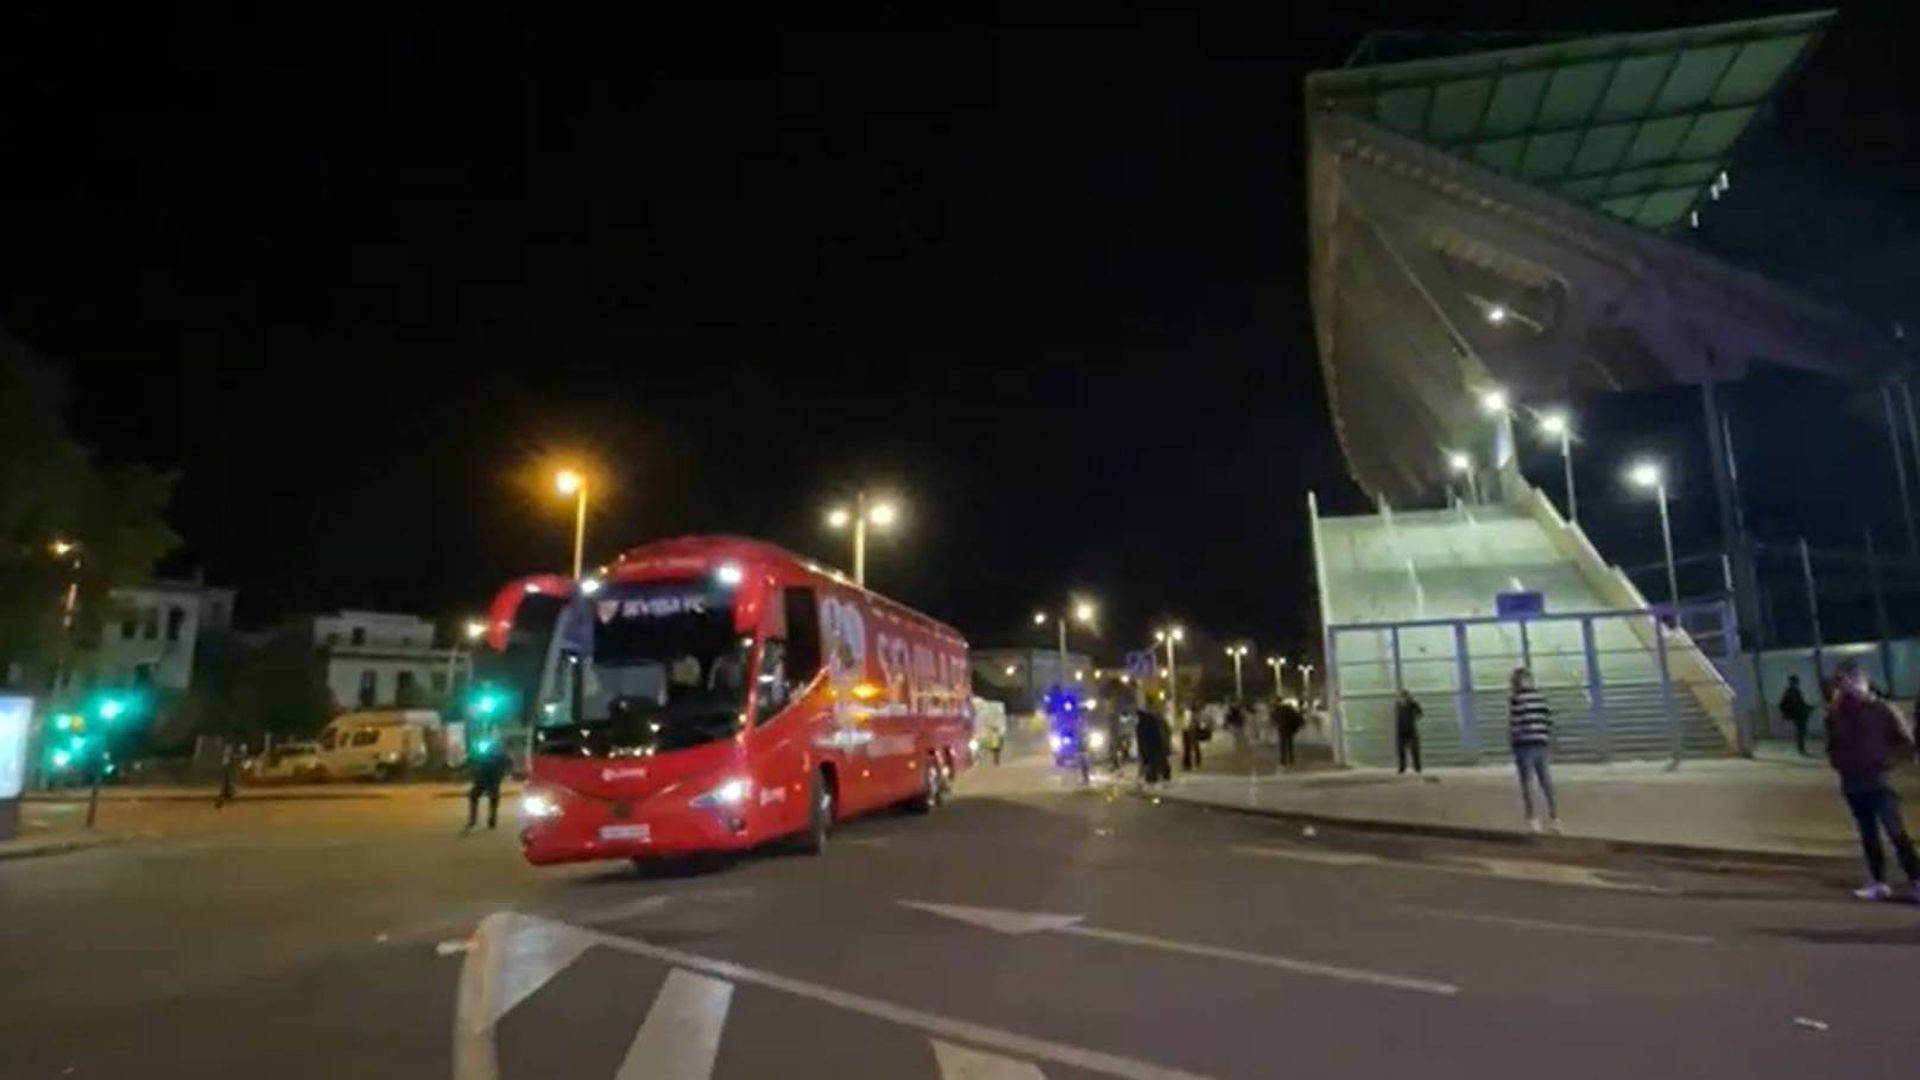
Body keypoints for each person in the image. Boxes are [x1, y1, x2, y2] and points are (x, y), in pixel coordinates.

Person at [1824, 660, 1920, 902]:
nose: (1846, 687)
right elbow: (1833, 746)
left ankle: (1916, 879)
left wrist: (1886, 763)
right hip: (1853, 781)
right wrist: (1841, 764)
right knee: (1868, 833)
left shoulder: (1883, 709)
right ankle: (1879, 881)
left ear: (1863, 681)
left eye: (1850, 681)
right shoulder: (1837, 714)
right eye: (1843, 682)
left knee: (1896, 832)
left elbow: (1905, 743)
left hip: (1880, 780)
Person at [1508, 667, 1559, 833]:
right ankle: (1555, 818)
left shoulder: (1517, 699)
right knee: (1546, 782)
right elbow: (1548, 721)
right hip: (1541, 744)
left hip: (1524, 745)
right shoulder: (1541, 697)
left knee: (1528, 783)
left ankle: (1533, 820)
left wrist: (1513, 743)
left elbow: (1516, 724)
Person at [464, 736, 511, 833]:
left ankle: (474, 819)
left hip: (484, 779)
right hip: (492, 779)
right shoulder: (502, 754)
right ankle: (491, 819)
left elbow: (472, 761)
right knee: (493, 798)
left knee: (475, 796)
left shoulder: (487, 754)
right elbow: (509, 764)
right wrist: (505, 773)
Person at [1778, 675, 1814, 757]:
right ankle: (1801, 748)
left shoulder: (1790, 691)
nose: (1797, 683)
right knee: (1801, 732)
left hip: (1799, 714)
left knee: (1800, 732)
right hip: (1799, 715)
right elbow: (1786, 704)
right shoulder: (1792, 691)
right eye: (1796, 682)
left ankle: (1801, 748)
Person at [1136, 706, 1171, 784]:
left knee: (1154, 761)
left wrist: (1143, 748)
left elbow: (1142, 737)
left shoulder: (1145, 723)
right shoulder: (1151, 721)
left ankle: (1153, 776)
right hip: (1155, 744)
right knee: (1158, 760)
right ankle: (1160, 775)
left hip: (1152, 745)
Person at [1393, 688, 1424, 775]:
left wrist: (1413, 718)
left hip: (1411, 729)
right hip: (1401, 730)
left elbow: (1420, 713)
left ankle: (1417, 767)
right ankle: (1402, 767)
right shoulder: (1398, 705)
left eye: (1404, 696)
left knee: (1414, 750)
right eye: (1401, 696)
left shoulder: (1412, 704)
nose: (1402, 698)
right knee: (1401, 751)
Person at [1275, 698, 1304, 767]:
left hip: (1281, 729)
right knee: (1290, 745)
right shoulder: (1290, 710)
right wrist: (1295, 728)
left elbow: (1275, 718)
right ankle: (1291, 760)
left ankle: (1283, 761)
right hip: (1289, 729)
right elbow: (1295, 718)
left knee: (1282, 745)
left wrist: (1278, 724)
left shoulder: (1278, 710)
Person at [1180, 707, 1205, 771]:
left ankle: (1189, 763)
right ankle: (1190, 762)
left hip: (1189, 731)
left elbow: (1195, 724)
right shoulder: (1192, 715)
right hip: (1189, 731)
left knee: (1190, 748)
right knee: (1190, 747)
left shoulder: (1191, 715)